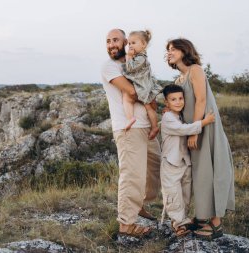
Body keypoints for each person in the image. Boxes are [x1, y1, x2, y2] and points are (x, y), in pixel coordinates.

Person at [166, 38, 235, 240]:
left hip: (205, 128)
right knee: (199, 174)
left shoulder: (195, 70)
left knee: (211, 170)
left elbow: (202, 100)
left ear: (184, 50)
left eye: (173, 49)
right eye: (167, 50)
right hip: (192, 129)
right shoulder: (179, 79)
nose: (169, 52)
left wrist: (196, 131)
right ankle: (203, 216)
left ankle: (216, 223)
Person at [101, 29, 161, 237]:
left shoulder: (136, 62)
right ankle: (126, 224)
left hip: (145, 126)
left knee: (156, 169)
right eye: (108, 41)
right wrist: (150, 97)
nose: (111, 44)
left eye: (115, 40)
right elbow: (134, 92)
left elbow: (149, 87)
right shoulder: (110, 67)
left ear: (126, 42)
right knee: (132, 175)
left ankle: (139, 204)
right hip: (128, 128)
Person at [160, 84, 215, 236]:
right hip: (171, 163)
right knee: (173, 193)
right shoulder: (168, 117)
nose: (178, 102)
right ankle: (179, 223)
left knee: (185, 193)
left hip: (184, 162)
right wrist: (204, 121)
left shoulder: (181, 115)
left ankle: (181, 219)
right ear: (166, 103)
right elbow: (183, 130)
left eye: (180, 98)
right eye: (173, 99)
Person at [122, 30, 161, 140]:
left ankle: (130, 118)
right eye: (129, 43)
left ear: (144, 44)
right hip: (144, 86)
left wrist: (128, 56)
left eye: (133, 43)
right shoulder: (141, 57)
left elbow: (130, 68)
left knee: (127, 98)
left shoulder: (140, 58)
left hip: (141, 87)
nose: (130, 46)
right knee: (149, 108)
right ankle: (154, 127)